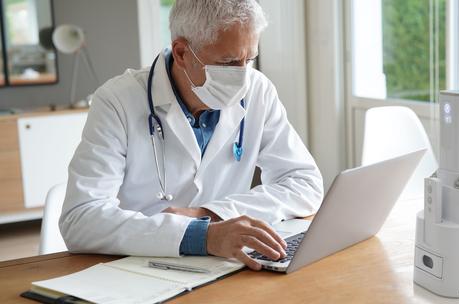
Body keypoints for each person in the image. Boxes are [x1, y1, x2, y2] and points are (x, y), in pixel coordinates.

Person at [59, 0, 323, 271]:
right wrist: (201, 236)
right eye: (229, 62)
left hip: (225, 265)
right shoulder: (117, 101)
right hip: (139, 266)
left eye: (250, 59)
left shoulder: (258, 91)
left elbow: (305, 183)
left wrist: (209, 215)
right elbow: (80, 220)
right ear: (182, 52)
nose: (243, 77)